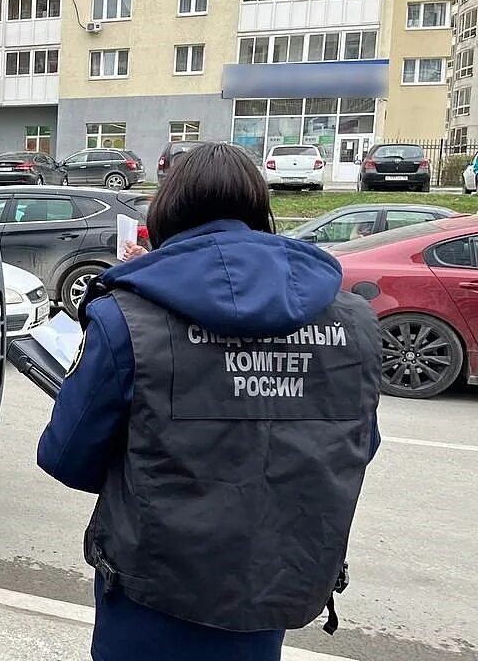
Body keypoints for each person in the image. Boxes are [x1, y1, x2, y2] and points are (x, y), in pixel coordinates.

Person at [37, 143, 380, 661]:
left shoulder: (126, 318)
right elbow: (357, 445)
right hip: (275, 581)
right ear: (259, 209)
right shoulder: (352, 321)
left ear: (166, 211)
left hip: (152, 590)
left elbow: (68, 458)